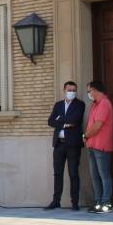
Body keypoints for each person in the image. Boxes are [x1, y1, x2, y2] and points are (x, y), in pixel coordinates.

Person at [45, 81, 85, 211]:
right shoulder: (58, 105)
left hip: (73, 145)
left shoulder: (80, 104)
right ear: (64, 90)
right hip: (59, 144)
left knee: (73, 173)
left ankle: (75, 203)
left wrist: (60, 119)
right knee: (58, 174)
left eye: (74, 90)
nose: (71, 92)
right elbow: (50, 121)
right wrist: (64, 124)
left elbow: (75, 119)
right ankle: (56, 201)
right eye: (69, 89)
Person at [83, 80, 113, 214]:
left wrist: (85, 136)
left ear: (95, 90)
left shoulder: (104, 104)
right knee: (94, 175)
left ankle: (106, 202)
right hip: (92, 144)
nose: (89, 94)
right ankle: (97, 201)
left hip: (102, 145)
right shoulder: (95, 105)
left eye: (89, 91)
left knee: (104, 175)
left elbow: (97, 126)